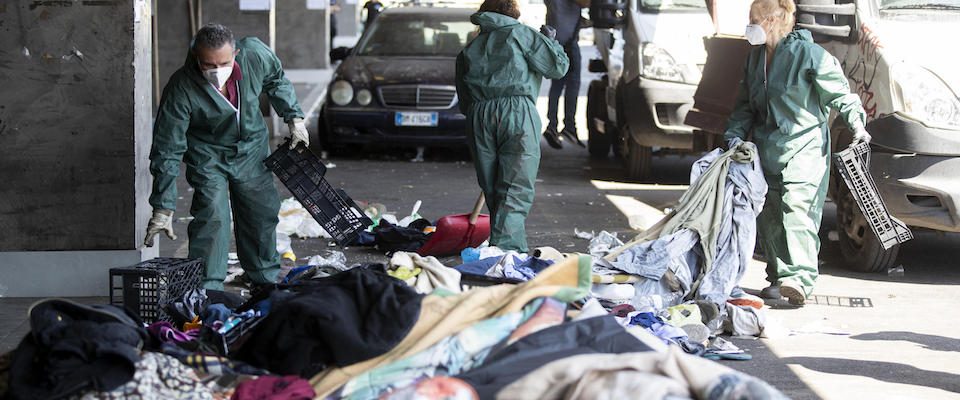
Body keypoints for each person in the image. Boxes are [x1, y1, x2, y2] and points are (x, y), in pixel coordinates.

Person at [723, 0, 871, 306]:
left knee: (797, 210)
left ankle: (800, 278)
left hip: (804, 149)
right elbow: (744, 107)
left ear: (773, 21)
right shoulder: (754, 62)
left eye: (754, 19)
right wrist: (733, 138)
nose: (749, 26)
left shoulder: (810, 55)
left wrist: (857, 125)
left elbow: (841, 95)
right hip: (767, 150)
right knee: (770, 217)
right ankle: (780, 277)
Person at [144, 24, 308, 290]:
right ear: (196, 57)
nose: (217, 70)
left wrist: (294, 118)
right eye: (208, 64)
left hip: (251, 148)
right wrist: (163, 206)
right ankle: (208, 290)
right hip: (208, 154)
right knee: (212, 217)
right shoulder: (181, 87)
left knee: (261, 213)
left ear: (236, 53)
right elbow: (167, 148)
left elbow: (276, 79)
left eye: (224, 62)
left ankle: (264, 280)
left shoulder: (254, 54)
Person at [456, 0, 569, 253]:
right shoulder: (522, 34)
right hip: (517, 113)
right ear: (513, 13)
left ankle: (503, 247)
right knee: (515, 187)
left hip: (479, 116)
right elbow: (557, 68)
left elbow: (464, 101)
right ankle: (508, 253)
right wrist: (551, 42)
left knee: (494, 188)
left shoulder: (470, 48)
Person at [542, 0, 586, 149]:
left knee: (557, 85)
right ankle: (569, 127)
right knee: (573, 85)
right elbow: (586, 3)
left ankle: (552, 126)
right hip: (569, 43)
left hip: (554, 41)